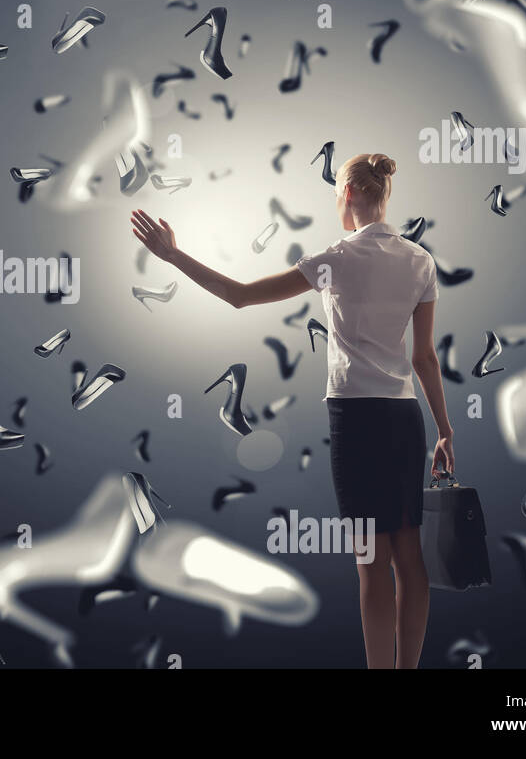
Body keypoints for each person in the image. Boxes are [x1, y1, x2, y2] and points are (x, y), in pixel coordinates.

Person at [130, 152, 455, 669]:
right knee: (409, 557)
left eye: (335, 196)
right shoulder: (420, 260)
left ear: (347, 194)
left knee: (371, 562)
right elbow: (424, 357)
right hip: (405, 418)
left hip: (356, 421)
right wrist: (445, 430)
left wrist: (173, 257)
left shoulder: (336, 259)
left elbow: (238, 297)